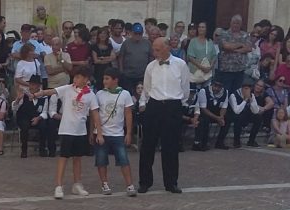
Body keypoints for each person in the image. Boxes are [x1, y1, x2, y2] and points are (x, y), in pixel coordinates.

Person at [35, 65, 100, 198]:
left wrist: (98, 132)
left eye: (78, 77)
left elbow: (95, 114)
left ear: (85, 79)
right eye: (74, 77)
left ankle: (77, 184)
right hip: (67, 129)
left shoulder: (90, 95)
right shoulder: (67, 89)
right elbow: (52, 91)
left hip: (80, 131)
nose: (75, 79)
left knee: (78, 158)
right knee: (63, 157)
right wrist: (39, 93)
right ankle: (59, 186)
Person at [138, 38, 188, 194]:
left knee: (171, 146)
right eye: (154, 49)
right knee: (147, 146)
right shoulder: (150, 67)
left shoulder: (180, 64)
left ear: (167, 48)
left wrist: (179, 105)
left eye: (157, 50)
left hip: (173, 107)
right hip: (154, 105)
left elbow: (185, 88)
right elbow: (146, 89)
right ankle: (145, 182)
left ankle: (171, 182)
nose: (155, 53)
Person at [93, 68, 136, 196]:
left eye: (107, 78)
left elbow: (128, 114)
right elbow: (95, 114)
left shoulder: (125, 94)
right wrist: (94, 132)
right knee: (101, 160)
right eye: (104, 78)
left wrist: (128, 133)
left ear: (115, 80)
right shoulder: (99, 94)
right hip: (102, 132)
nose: (104, 81)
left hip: (117, 133)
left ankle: (129, 184)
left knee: (124, 159)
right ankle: (104, 184)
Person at [214, 80, 261, 149]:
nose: (247, 91)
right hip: (231, 114)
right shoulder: (233, 95)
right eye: (245, 89)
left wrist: (251, 101)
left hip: (244, 114)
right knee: (237, 117)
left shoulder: (251, 95)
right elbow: (236, 110)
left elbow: (256, 111)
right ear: (241, 88)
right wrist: (245, 100)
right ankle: (235, 141)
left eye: (249, 89)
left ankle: (251, 141)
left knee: (258, 117)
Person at [13, 74, 49, 158]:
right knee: (24, 126)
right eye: (30, 84)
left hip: (37, 117)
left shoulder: (44, 96)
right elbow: (14, 108)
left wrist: (38, 118)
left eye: (33, 85)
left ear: (38, 86)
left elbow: (44, 112)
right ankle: (24, 150)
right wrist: (18, 99)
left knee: (43, 125)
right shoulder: (24, 94)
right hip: (24, 117)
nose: (31, 87)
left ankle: (42, 149)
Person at [217, 15, 251, 95]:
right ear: (231, 23)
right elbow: (226, 46)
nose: (236, 25)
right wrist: (240, 45)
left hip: (240, 69)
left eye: (238, 23)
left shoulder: (245, 35)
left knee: (237, 93)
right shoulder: (224, 34)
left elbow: (249, 48)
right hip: (227, 69)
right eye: (234, 23)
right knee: (226, 92)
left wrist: (233, 49)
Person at [193, 80, 228, 151]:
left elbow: (224, 107)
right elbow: (203, 108)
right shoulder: (204, 91)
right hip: (206, 112)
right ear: (212, 85)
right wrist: (217, 118)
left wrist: (221, 117)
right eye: (215, 86)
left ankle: (220, 142)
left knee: (228, 119)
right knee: (204, 119)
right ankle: (201, 143)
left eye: (219, 87)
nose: (216, 89)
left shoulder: (225, 92)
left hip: (217, 112)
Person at [118, 23, 152, 93]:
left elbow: (151, 56)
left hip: (143, 75)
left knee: (142, 94)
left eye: (139, 34)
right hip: (128, 75)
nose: (137, 35)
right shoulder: (126, 43)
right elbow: (121, 57)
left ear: (142, 33)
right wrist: (121, 71)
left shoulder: (147, 43)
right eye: (136, 33)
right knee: (128, 94)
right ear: (132, 33)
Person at [187, 22, 216, 89]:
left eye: (203, 27)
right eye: (199, 27)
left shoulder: (210, 41)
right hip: (196, 72)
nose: (201, 29)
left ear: (206, 29)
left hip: (208, 72)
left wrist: (210, 67)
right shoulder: (193, 41)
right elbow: (190, 57)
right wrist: (202, 67)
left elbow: (214, 56)